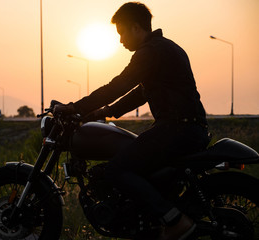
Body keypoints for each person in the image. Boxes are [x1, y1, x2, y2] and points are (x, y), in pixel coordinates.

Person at [55, 2, 210, 239]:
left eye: (121, 33)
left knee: (117, 169)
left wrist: (75, 107)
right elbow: (139, 94)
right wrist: (102, 112)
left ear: (136, 28)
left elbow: (119, 85)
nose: (120, 41)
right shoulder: (163, 49)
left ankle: (174, 221)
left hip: (178, 129)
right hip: (185, 128)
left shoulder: (150, 52)